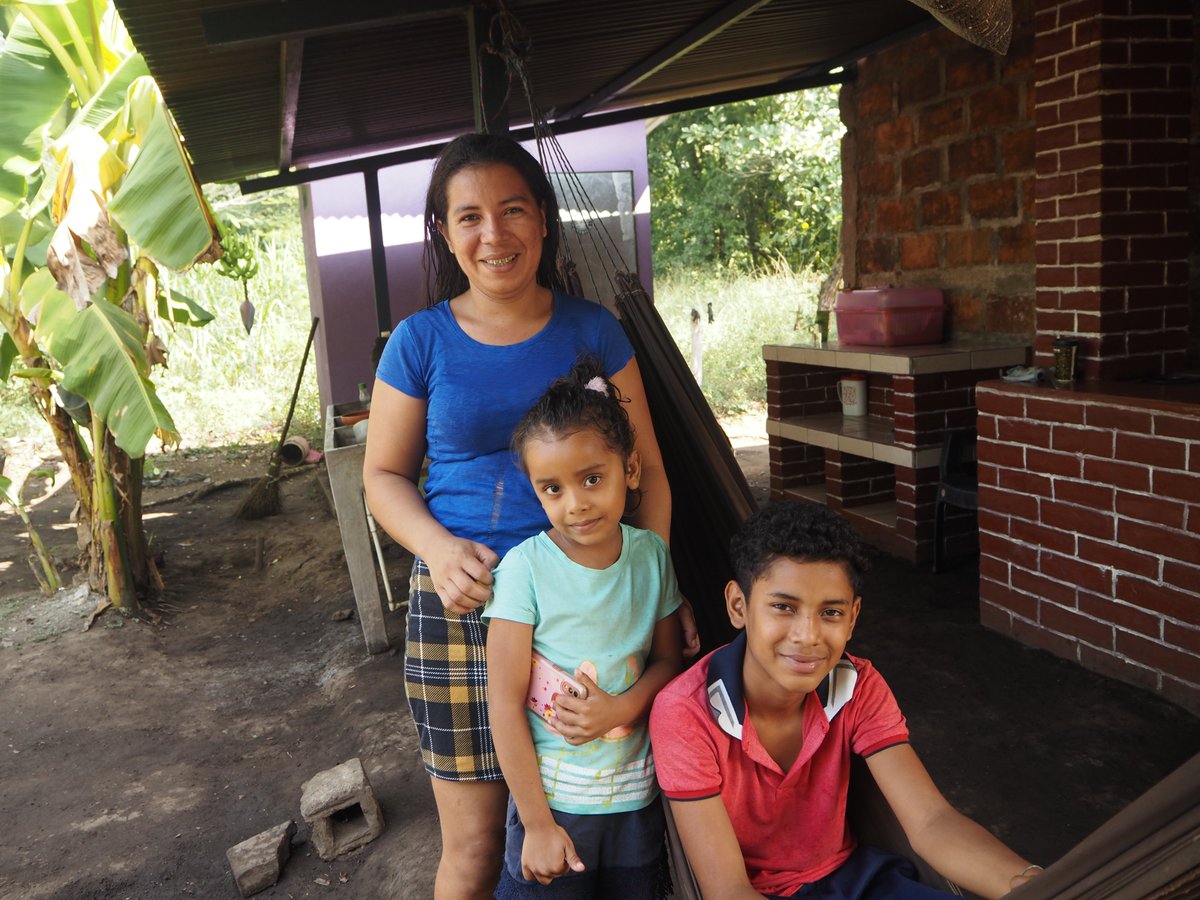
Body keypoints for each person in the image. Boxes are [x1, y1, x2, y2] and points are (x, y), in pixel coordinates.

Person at [363, 132, 695, 899]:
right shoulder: (420, 341)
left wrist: (655, 601)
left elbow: (653, 482)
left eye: (512, 210)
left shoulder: (594, 331)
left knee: (594, 823)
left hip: (593, 610)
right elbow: (382, 476)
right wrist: (439, 550)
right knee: (479, 849)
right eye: (469, 216)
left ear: (544, 219)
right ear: (444, 234)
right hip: (466, 610)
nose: (494, 234)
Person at [649, 502, 1044, 899]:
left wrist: (1028, 883)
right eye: (784, 607)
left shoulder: (858, 686)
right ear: (739, 606)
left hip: (861, 880)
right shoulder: (685, 712)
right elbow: (727, 890)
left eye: (831, 612)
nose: (807, 636)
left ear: (853, 618)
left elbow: (931, 821)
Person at [484, 358, 683, 898]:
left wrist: (623, 708)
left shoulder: (650, 558)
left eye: (592, 478)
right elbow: (502, 704)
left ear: (631, 470)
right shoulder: (523, 570)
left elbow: (670, 662)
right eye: (552, 489)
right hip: (552, 805)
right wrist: (538, 825)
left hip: (636, 802)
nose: (575, 504)